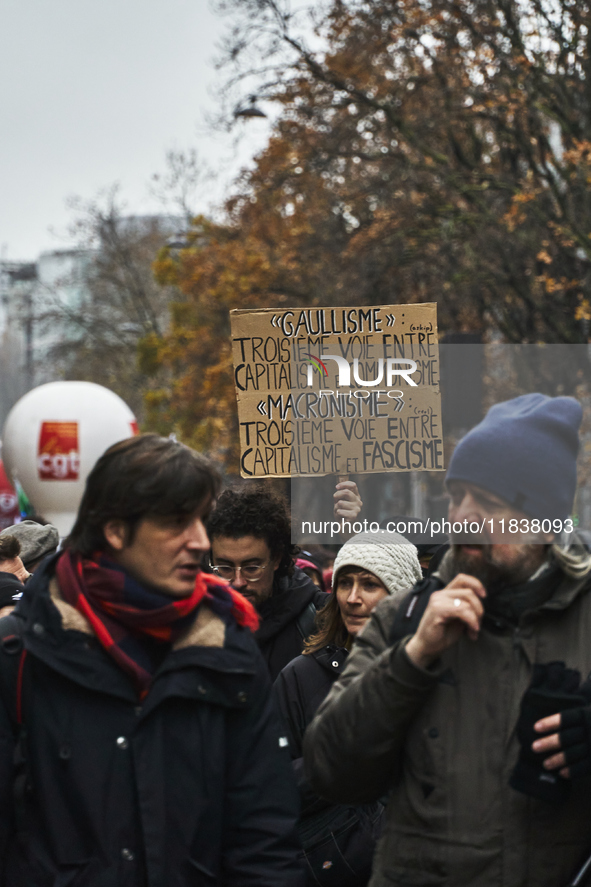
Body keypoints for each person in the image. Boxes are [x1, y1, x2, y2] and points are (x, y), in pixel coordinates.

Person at [304, 393, 591, 887]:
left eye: (489, 500)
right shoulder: (404, 616)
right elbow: (330, 768)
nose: (462, 515)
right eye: (458, 496)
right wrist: (412, 658)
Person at [0, 434, 305, 886]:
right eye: (177, 523)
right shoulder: (22, 651)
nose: (200, 541)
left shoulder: (226, 647)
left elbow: (263, 834)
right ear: (115, 530)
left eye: (201, 521)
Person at [275, 532, 422, 886]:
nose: (352, 598)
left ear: (401, 595)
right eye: (344, 583)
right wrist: (339, 759)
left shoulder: (434, 671)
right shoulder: (301, 676)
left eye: (370, 584)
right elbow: (269, 786)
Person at [208, 486, 330, 680]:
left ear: (276, 559)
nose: (238, 582)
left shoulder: (321, 617)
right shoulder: (193, 621)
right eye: (225, 568)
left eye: (252, 568)